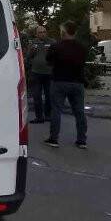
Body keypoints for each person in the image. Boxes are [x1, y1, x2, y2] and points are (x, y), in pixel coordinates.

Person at [44, 21, 89, 149]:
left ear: (63, 32)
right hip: (77, 83)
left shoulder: (56, 46)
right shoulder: (82, 47)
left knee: (56, 110)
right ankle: (81, 140)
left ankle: (54, 139)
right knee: (79, 111)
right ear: (74, 32)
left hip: (59, 81)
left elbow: (48, 61)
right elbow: (82, 63)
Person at [27, 26, 55, 123]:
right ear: (36, 34)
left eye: (44, 32)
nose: (42, 34)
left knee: (49, 96)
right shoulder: (33, 43)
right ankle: (39, 117)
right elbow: (28, 57)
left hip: (49, 73)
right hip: (36, 73)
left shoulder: (52, 42)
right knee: (36, 96)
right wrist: (32, 52)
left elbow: (57, 56)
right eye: (40, 32)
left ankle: (48, 116)